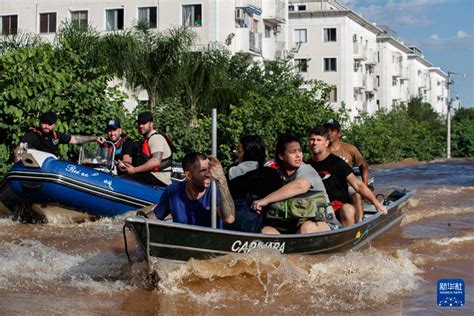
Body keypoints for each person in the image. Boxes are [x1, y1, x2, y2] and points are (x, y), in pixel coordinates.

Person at [251, 133, 338, 234]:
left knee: (307, 228)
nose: (298, 155)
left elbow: (299, 186)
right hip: (291, 227)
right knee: (265, 231)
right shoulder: (276, 175)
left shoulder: (307, 169)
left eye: (299, 151)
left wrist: (265, 200)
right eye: (292, 152)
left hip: (324, 223)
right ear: (281, 156)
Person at [307, 126, 387, 227]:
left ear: (326, 143)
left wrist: (377, 203)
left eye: (319, 140)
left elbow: (358, 185)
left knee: (348, 209)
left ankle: (351, 236)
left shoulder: (337, 162)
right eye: (312, 139)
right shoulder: (306, 166)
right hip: (320, 209)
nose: (315, 143)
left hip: (340, 208)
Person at [153, 152, 235, 228]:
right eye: (203, 170)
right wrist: (141, 219)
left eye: (210, 170)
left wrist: (222, 179)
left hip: (210, 242)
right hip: (182, 243)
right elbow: (156, 215)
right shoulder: (173, 191)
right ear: (189, 175)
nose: (208, 175)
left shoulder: (215, 189)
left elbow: (229, 218)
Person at [226, 135, 283, 232]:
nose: (237, 155)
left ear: (245, 152)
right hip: (269, 222)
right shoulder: (271, 173)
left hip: (238, 221)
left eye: (239, 151)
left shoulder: (234, 171)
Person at [324, 118, 370, 223]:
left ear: (339, 133)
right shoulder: (322, 150)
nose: (329, 133)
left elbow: (363, 165)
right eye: (327, 130)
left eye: (332, 130)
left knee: (356, 195)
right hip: (329, 188)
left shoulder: (350, 149)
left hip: (348, 187)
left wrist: (365, 185)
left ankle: (359, 222)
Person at [13, 111, 105, 162]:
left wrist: (95, 138)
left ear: (54, 125)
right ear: (40, 123)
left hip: (52, 167)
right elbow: (19, 150)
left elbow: (75, 139)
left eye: (49, 124)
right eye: (44, 123)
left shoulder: (56, 135)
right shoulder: (33, 135)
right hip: (37, 168)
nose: (46, 126)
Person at [119, 111, 172, 187]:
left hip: (159, 178)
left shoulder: (156, 138)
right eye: (139, 123)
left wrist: (134, 170)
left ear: (151, 124)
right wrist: (126, 166)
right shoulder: (146, 140)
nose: (140, 126)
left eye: (144, 123)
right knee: (124, 175)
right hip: (150, 175)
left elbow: (155, 161)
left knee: (124, 181)